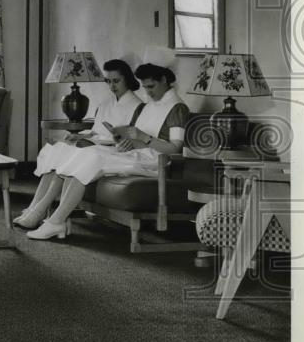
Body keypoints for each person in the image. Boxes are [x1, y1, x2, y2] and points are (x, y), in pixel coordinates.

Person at [24, 46, 190, 240]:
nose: (148, 92)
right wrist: (124, 140)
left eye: (151, 87)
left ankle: (54, 221)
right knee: (84, 155)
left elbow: (175, 148)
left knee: (92, 155)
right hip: (135, 154)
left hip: (155, 161)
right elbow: (133, 136)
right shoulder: (147, 106)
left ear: (164, 80)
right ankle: (55, 220)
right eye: (144, 87)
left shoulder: (178, 109)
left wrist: (143, 139)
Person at [14, 58, 144, 228]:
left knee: (68, 155)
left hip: (112, 150)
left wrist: (93, 140)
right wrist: (79, 136)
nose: (112, 86)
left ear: (127, 78)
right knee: (58, 149)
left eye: (116, 81)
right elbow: (96, 131)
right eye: (108, 81)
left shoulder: (137, 106)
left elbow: (126, 138)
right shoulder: (106, 104)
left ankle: (38, 211)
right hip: (94, 143)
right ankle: (34, 208)